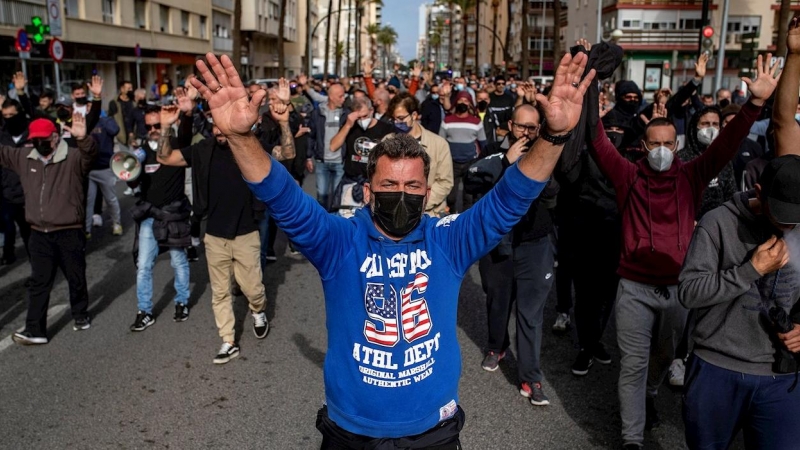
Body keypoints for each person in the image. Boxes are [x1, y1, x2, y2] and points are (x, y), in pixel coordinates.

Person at [190, 51, 594, 448]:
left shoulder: (448, 241)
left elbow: (509, 199)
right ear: (368, 192)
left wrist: (555, 136)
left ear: (427, 190)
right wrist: (241, 137)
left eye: (413, 187)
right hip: (351, 433)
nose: (401, 194)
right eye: (389, 186)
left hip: (432, 432)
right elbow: (283, 199)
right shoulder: (339, 242)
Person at [587, 54, 779, 450]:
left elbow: (725, 146)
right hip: (634, 288)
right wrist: (589, 86)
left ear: (677, 145)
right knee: (634, 364)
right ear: (643, 146)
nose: (661, 151)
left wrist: (754, 104)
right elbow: (596, 139)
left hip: (679, 289)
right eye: (654, 144)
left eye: (667, 144)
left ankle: (651, 395)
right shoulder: (628, 174)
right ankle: (632, 438)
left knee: (661, 360)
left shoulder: (692, 174)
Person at [157, 87, 284, 364]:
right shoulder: (203, 151)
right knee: (220, 292)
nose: (218, 131)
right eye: (214, 125)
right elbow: (165, 158)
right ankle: (228, 340)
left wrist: (284, 123)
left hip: (247, 231)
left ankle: (258, 310)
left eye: (222, 125)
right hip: (214, 235)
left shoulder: (252, 147)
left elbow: (285, 153)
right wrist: (166, 128)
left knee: (253, 288)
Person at [475, 104, 557, 406]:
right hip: (498, 243)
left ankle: (530, 377)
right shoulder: (495, 152)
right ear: (510, 125)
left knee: (530, 314)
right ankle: (497, 345)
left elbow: (552, 194)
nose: (526, 133)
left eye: (532, 128)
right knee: (497, 300)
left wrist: (537, 167)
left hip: (534, 244)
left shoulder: (547, 155)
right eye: (521, 126)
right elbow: (473, 183)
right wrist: (505, 163)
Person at [6, 115, 96, 344]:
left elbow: (91, 155)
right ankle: (35, 330)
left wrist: (83, 138)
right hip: (38, 232)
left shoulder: (73, 157)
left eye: (43, 139)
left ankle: (80, 314)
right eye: (34, 140)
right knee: (39, 282)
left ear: (55, 137)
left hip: (69, 230)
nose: (38, 144)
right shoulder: (24, 158)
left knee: (75, 277)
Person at [126, 103, 193, 332]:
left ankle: (182, 302)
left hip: (174, 214)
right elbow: (131, 180)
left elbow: (186, 132)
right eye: (150, 126)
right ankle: (144, 311)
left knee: (178, 261)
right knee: (143, 266)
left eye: (157, 124)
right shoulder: (140, 152)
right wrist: (130, 173)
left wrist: (186, 113)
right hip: (150, 215)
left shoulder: (177, 145)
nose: (154, 129)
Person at [387, 92, 453, 217]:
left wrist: (417, 203)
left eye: (401, 119)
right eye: (393, 119)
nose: (397, 123)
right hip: (394, 213)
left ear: (414, 115)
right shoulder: (387, 141)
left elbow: (444, 182)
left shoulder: (438, 144)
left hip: (428, 213)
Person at [298, 75, 350, 210]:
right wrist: (308, 157)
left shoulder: (346, 113)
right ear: (331, 97)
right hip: (322, 162)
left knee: (337, 197)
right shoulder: (318, 113)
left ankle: (334, 224)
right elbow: (312, 136)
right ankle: (322, 223)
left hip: (340, 162)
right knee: (322, 196)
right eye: (340, 96)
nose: (343, 99)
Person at [439, 91, 487, 213]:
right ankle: (452, 219)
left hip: (470, 162)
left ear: (470, 104)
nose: (463, 103)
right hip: (451, 163)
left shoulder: (476, 122)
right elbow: (440, 142)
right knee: (451, 197)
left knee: (469, 196)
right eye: (460, 100)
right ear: (456, 102)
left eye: (466, 101)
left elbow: (483, 143)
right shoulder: (447, 121)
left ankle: (466, 221)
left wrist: (482, 162)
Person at [86, 114, 123, 238]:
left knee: (111, 199)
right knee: (88, 201)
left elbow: (115, 130)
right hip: (89, 168)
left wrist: (104, 118)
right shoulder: (85, 120)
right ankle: (87, 229)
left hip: (105, 167)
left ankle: (116, 223)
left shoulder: (106, 121)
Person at [107, 80, 135, 149]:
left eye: (131, 88)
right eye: (128, 88)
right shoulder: (114, 103)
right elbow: (111, 118)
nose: (131, 90)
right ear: (122, 89)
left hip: (133, 135)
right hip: (121, 136)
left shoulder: (134, 102)